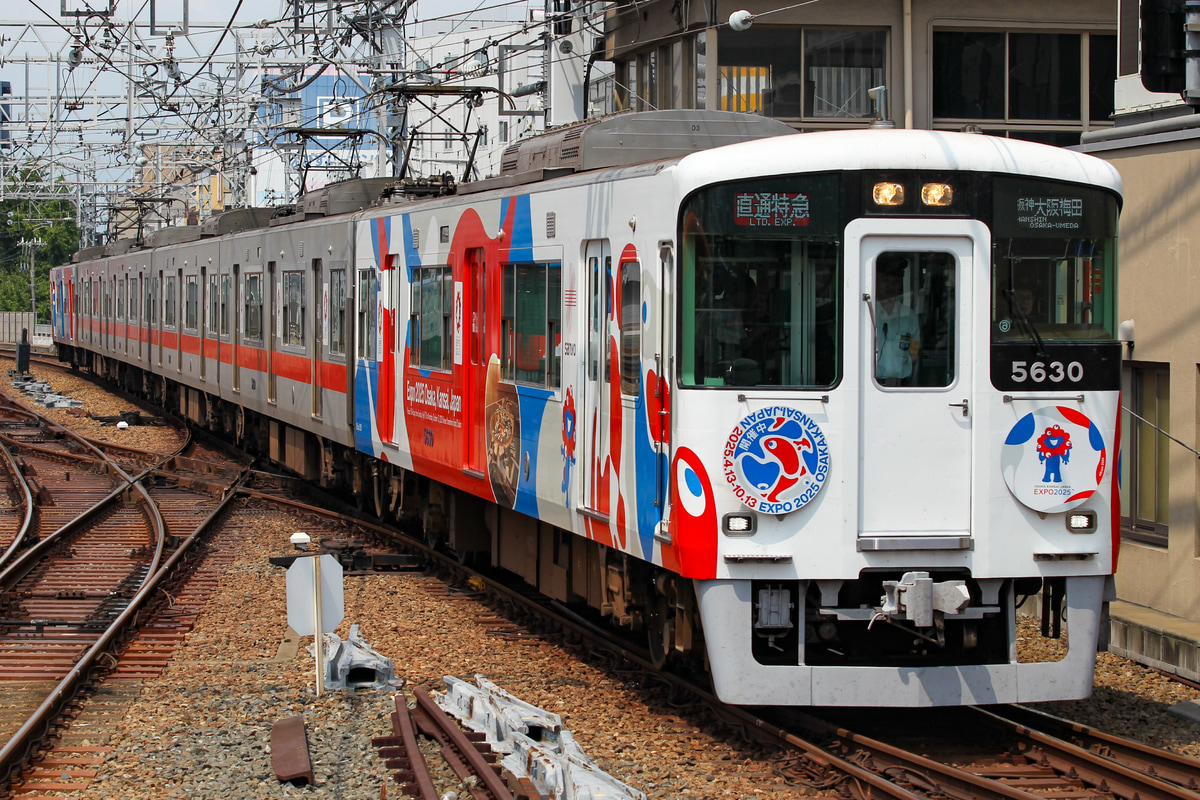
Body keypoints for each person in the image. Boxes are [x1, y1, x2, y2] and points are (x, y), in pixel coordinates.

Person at [875, 253, 920, 385]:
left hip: (901, 386)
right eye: (886, 281)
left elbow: (914, 350)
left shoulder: (909, 315)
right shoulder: (867, 312)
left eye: (895, 282)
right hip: (871, 386)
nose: (891, 286)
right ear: (877, 280)